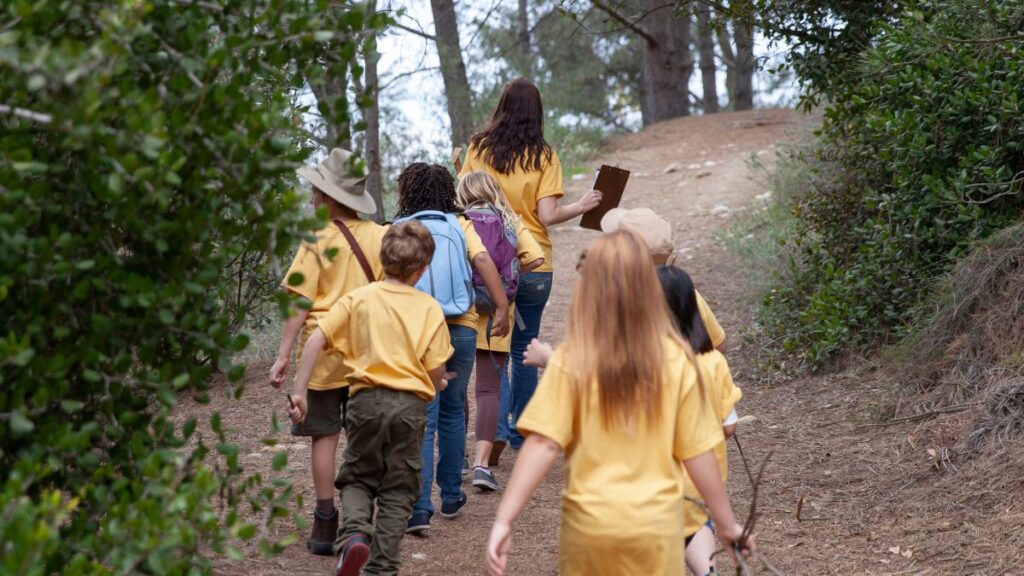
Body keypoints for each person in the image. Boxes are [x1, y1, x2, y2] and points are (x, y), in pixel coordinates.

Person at [485, 231, 753, 576]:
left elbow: (543, 442)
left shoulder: (572, 359)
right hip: (657, 525)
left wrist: (504, 519)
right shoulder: (677, 361)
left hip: (589, 526)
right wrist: (727, 525)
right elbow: (697, 452)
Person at [287, 221, 453, 576]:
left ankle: (355, 535)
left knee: (358, 477)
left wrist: (300, 389)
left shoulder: (359, 298)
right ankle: (382, 566)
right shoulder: (428, 308)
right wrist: (437, 384)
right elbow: (436, 368)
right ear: (422, 269)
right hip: (409, 407)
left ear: (383, 258)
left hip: (364, 401)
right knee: (398, 486)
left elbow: (316, 337)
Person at [459, 77, 603, 451]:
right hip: (534, 262)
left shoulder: (477, 148)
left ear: (501, 106)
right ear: (536, 112)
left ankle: (498, 434)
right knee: (527, 346)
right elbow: (548, 214)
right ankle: (524, 431)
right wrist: (582, 206)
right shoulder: (544, 156)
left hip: (489, 263)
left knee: (495, 348)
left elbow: (463, 200)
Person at [269, 148, 386, 555]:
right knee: (362, 440)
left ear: (332, 198)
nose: (311, 199)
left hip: (321, 355)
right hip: (369, 353)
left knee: (324, 436)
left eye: (316, 192)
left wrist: (284, 354)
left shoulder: (315, 241)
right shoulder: (381, 236)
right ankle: (359, 523)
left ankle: (324, 524)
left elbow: (299, 303)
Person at [393, 163, 510, 533]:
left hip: (418, 329)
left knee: (424, 417)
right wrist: (502, 305)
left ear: (407, 192)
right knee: (454, 409)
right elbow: (481, 260)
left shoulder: (401, 228)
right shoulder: (459, 224)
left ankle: (419, 508)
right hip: (460, 326)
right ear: (448, 192)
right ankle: (451, 495)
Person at [523, 206, 729, 368]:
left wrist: (549, 359)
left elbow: (592, 367)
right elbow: (719, 345)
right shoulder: (685, 293)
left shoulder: (613, 301)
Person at [456, 171, 546, 490]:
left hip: (462, 312)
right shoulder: (510, 220)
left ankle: (458, 460)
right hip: (499, 313)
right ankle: (482, 465)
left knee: (455, 388)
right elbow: (536, 259)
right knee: (488, 390)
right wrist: (507, 273)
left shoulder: (460, 221)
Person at [657, 266, 742, 576]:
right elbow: (729, 425)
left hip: (651, 476)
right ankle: (707, 571)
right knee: (695, 526)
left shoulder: (643, 364)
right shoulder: (714, 362)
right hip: (703, 478)